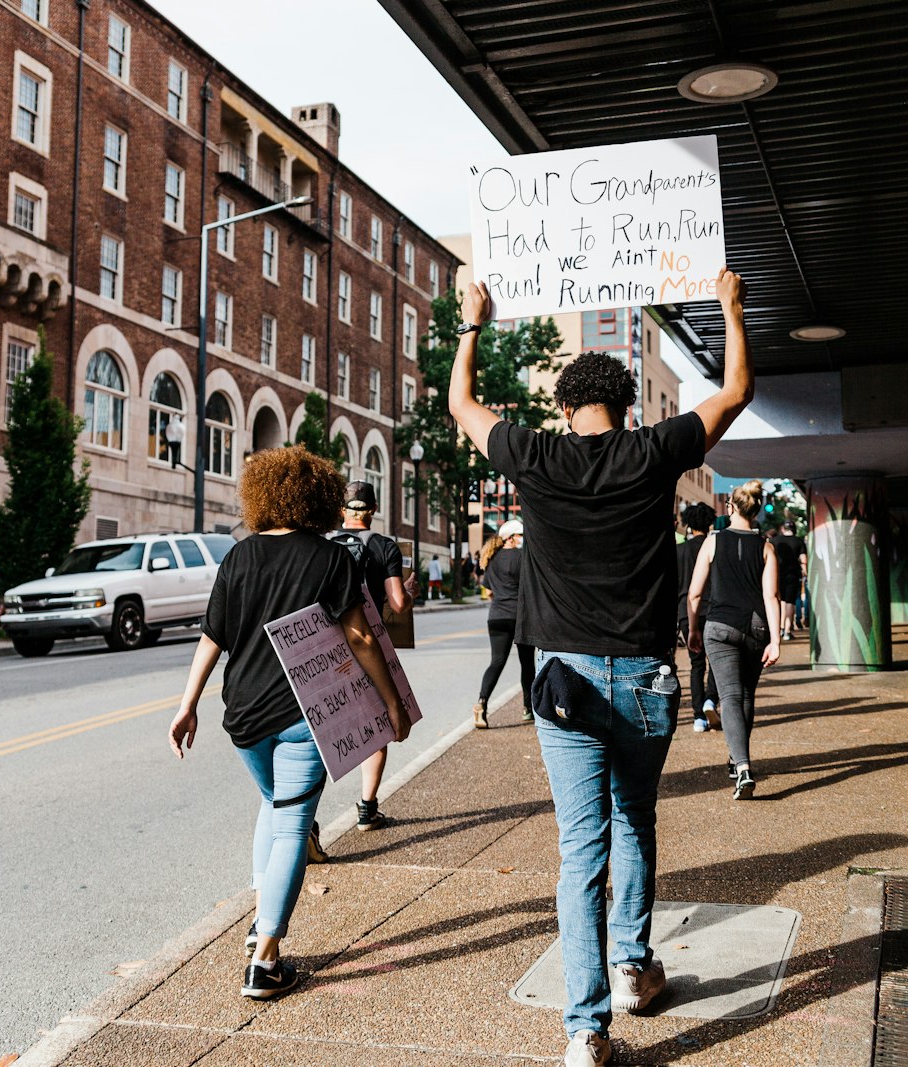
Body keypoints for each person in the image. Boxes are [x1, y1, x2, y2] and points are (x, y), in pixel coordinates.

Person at [447, 269, 753, 1067]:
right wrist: (730, 310)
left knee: (581, 848)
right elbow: (738, 391)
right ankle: (632, 969)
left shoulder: (536, 455)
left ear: (564, 408)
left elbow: (460, 407)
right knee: (635, 821)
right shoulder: (655, 450)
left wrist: (473, 322)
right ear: (628, 404)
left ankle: (586, 1031)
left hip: (566, 684)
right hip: (646, 678)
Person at [168, 447, 411, 1001]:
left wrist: (188, 704)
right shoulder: (329, 560)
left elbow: (213, 636)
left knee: (274, 809)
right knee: (291, 825)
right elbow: (361, 638)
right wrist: (391, 702)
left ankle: (258, 924)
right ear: (320, 497)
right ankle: (267, 958)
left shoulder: (239, 556)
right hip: (304, 713)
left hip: (244, 714)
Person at [687, 481, 782, 800]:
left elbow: (695, 592)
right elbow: (772, 597)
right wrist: (776, 640)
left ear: (731, 508)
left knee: (728, 695)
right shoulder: (766, 547)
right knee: (745, 696)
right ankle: (737, 757)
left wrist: (693, 630)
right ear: (755, 511)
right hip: (755, 627)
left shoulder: (713, 542)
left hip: (720, 625)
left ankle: (741, 766)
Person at [328, 480, 413, 834]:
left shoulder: (325, 544)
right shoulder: (385, 547)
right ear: (374, 510)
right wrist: (408, 592)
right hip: (369, 644)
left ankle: (308, 823)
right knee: (376, 726)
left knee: (326, 728)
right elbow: (397, 604)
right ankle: (367, 808)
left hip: (327, 647)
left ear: (341, 511)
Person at [474, 519, 535, 727]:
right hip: (520, 617)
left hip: (497, 616)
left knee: (497, 662)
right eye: (520, 536)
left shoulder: (491, 559)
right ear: (510, 538)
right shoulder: (523, 557)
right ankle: (529, 708)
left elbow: (489, 591)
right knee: (527, 663)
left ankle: (482, 704)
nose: (522, 539)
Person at [674, 504, 720, 732]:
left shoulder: (679, 551)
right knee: (717, 662)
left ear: (688, 523)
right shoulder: (715, 548)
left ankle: (697, 717)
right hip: (714, 609)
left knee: (696, 664)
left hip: (686, 611)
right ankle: (711, 699)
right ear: (709, 522)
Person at [768, 521, 808, 640]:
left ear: (783, 529)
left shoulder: (774, 541)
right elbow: (804, 560)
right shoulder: (799, 541)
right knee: (790, 602)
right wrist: (805, 573)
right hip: (793, 574)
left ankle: (779, 628)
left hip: (776, 574)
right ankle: (788, 630)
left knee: (780, 600)